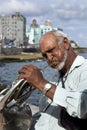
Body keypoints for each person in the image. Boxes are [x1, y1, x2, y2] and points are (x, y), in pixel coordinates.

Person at [18, 30, 87, 130]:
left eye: (51, 50)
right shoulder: (55, 76)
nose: (49, 58)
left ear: (65, 43)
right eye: (45, 55)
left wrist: (41, 83)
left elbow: (83, 107)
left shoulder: (85, 69)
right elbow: (44, 115)